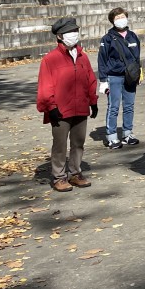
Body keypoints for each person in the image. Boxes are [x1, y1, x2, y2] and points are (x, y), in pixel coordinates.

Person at [36, 16, 98, 192]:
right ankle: (59, 177)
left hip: (81, 107)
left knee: (78, 142)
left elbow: (90, 80)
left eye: (75, 31)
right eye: (69, 32)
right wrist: (51, 107)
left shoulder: (82, 56)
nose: (74, 34)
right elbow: (45, 85)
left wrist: (93, 102)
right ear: (59, 36)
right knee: (60, 145)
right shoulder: (50, 59)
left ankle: (75, 173)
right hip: (60, 110)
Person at [97, 7, 141, 149]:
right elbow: (102, 59)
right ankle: (111, 136)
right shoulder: (108, 38)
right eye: (117, 18)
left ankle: (127, 133)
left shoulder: (133, 36)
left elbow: (137, 57)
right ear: (112, 21)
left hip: (130, 76)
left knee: (129, 106)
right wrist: (103, 80)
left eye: (122, 16)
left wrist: (139, 73)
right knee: (113, 107)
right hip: (114, 77)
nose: (121, 19)